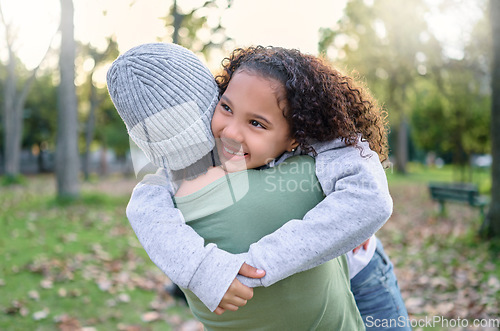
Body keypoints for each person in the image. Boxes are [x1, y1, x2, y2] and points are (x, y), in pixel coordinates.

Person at [108, 43, 410, 330]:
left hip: (363, 276)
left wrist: (255, 265)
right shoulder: (198, 156)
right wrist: (204, 270)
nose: (231, 132)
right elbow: (146, 210)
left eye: (257, 124)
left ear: (296, 135)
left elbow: (370, 199)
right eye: (226, 107)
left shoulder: (322, 147)